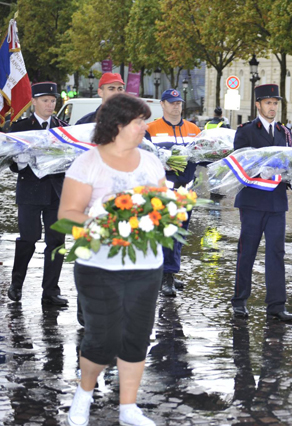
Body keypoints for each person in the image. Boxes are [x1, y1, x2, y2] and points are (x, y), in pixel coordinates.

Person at [59, 93, 165, 426]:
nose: (144, 127)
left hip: (146, 266)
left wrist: (166, 214)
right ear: (117, 125)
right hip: (99, 266)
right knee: (102, 337)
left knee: (137, 336)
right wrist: (106, 223)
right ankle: (84, 394)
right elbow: (67, 214)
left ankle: (128, 407)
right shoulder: (88, 163)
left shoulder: (151, 162)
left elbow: (162, 207)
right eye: (139, 121)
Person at [231, 84, 292, 322]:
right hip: (253, 201)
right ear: (258, 104)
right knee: (247, 251)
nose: (272, 107)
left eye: (275, 103)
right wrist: (262, 171)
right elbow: (240, 163)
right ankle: (239, 301)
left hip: (277, 202)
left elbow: (290, 162)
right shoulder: (246, 131)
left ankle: (277, 305)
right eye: (268, 103)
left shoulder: (283, 132)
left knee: (277, 253)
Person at [7, 82, 68, 307]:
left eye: (53, 101)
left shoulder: (63, 128)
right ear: (34, 102)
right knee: (28, 238)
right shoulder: (21, 127)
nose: (50, 105)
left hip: (55, 193)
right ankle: (16, 285)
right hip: (30, 191)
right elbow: (10, 161)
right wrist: (19, 163)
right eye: (45, 100)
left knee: (56, 242)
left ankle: (50, 291)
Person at [146, 89, 200, 296]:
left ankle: (168, 272)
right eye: (172, 102)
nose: (176, 106)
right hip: (163, 191)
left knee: (179, 234)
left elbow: (202, 155)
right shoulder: (151, 129)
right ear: (162, 104)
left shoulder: (194, 129)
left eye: (179, 103)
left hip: (186, 192)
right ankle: (166, 276)